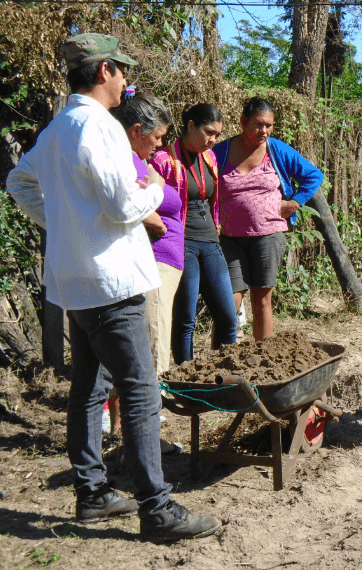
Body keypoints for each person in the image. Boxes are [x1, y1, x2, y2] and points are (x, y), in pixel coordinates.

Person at [6, 33, 220, 542]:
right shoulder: (98, 125)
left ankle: (94, 493)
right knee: (141, 392)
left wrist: (62, 223)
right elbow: (125, 206)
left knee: (87, 389)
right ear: (104, 72)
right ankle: (157, 508)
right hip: (111, 281)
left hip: (75, 282)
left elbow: (18, 183)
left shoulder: (58, 128)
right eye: (121, 70)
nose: (126, 79)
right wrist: (152, 188)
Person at [106, 89, 183, 452]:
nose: (160, 144)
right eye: (157, 137)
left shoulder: (139, 159)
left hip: (155, 263)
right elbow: (125, 206)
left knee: (146, 349)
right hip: (144, 263)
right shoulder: (126, 160)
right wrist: (151, 213)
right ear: (137, 130)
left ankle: (133, 436)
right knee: (149, 348)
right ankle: (139, 441)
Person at [212, 97, 323, 341]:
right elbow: (204, 183)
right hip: (230, 238)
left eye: (269, 125)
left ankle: (261, 360)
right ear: (243, 121)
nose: (264, 131)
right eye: (259, 124)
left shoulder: (277, 150)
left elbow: (313, 175)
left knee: (262, 298)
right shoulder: (222, 152)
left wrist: (295, 202)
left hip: (268, 235)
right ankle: (218, 362)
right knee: (228, 301)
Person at [150, 104, 237, 363]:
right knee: (185, 318)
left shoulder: (209, 159)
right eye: (209, 132)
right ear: (190, 126)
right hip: (180, 243)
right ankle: (184, 380)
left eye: (218, 135)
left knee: (228, 316)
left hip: (210, 242)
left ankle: (224, 376)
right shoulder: (162, 161)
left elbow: (214, 201)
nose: (213, 140)